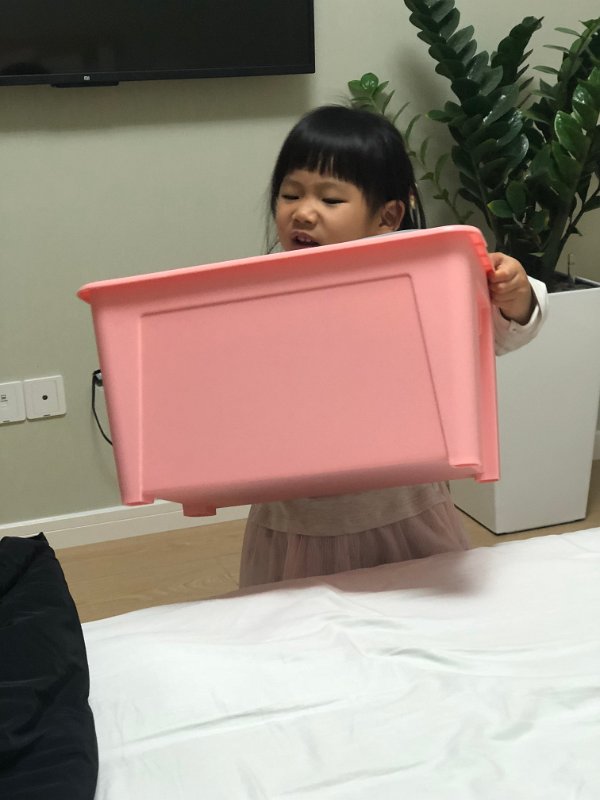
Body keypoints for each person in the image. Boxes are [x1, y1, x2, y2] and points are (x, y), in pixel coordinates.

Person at [239, 104, 548, 588]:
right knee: (294, 622)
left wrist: (516, 295)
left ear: (387, 215)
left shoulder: (419, 284)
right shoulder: (258, 290)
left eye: (330, 199)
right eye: (290, 194)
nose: (303, 211)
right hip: (293, 519)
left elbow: (500, 333)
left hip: (403, 511)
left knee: (417, 616)